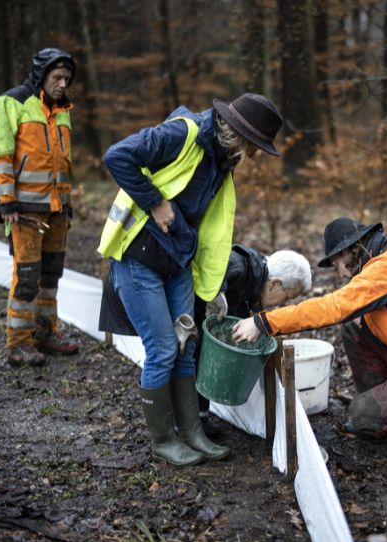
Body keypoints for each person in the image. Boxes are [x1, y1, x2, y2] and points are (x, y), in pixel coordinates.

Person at [97, 93, 284, 466]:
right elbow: (117, 155)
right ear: (239, 134)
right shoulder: (182, 134)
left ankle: (193, 433)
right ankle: (164, 439)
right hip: (139, 258)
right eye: (255, 146)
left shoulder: (221, 160)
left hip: (179, 260)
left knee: (187, 346)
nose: (256, 154)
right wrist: (154, 201)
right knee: (164, 349)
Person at [233, 218, 387, 444]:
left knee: (361, 415)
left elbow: (333, 306)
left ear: (349, 250)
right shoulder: (386, 258)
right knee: (355, 327)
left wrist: (263, 322)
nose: (341, 273)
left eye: (337, 264)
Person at [0, 48, 80, 367]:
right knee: (27, 276)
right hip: (24, 210)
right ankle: (18, 343)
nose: (63, 84)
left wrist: (67, 204)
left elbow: (64, 162)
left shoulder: (64, 110)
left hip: (58, 209)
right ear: (42, 75)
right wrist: (5, 200)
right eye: (57, 77)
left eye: (67, 78)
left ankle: (45, 333)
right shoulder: (11, 103)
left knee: (51, 275)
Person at [193, 245, 312, 433]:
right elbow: (213, 261)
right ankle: (185, 423)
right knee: (192, 355)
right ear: (274, 284)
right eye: (287, 297)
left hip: (204, 329)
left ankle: (200, 417)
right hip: (187, 320)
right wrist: (217, 293)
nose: (285, 304)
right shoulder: (240, 266)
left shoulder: (254, 286)